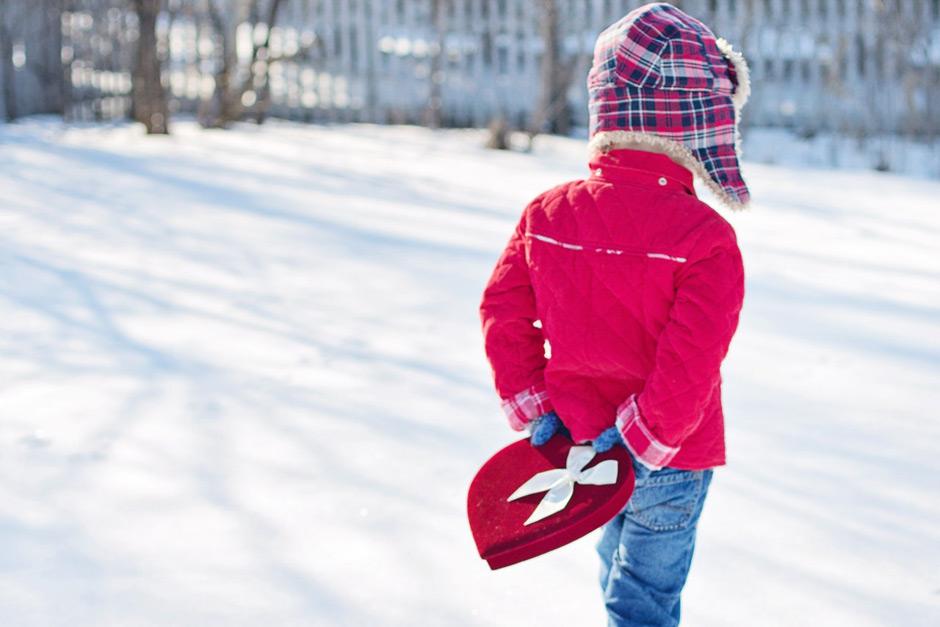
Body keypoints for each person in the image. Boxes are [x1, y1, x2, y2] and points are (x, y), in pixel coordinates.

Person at [478, 3, 751, 625]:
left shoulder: (547, 214)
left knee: (617, 571)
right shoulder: (705, 237)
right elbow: (693, 360)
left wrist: (534, 402)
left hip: (582, 445)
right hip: (671, 454)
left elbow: (503, 310)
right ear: (696, 123)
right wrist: (645, 435)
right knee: (644, 598)